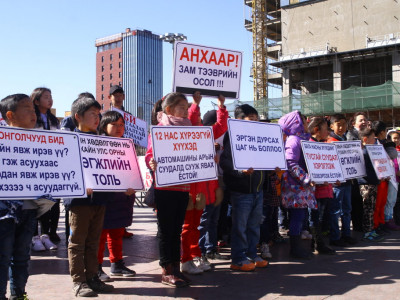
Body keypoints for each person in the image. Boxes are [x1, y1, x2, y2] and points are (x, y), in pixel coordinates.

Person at [64, 96, 114, 297]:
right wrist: (80, 185)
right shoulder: (68, 141)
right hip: (79, 201)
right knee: (77, 242)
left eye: (98, 114)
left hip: (99, 199)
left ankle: (93, 277)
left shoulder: (103, 141)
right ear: (78, 117)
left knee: (94, 241)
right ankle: (79, 282)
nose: (97, 118)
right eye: (92, 114)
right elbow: (64, 170)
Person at [146, 92, 192, 288]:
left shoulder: (190, 130)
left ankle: (176, 266)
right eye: (182, 107)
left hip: (182, 188)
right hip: (164, 188)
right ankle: (167, 269)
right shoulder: (158, 130)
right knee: (166, 231)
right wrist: (152, 162)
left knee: (177, 229)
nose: (185, 110)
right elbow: (150, 154)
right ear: (168, 110)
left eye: (187, 107)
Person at [182, 92, 228, 275]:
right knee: (191, 226)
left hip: (204, 187)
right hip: (190, 188)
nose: (198, 119)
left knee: (198, 224)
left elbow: (221, 126)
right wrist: (195, 104)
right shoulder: (191, 129)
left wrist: (221, 107)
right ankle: (190, 257)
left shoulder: (206, 133)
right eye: (197, 116)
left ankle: (196, 255)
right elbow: (193, 120)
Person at [220, 104, 268, 271]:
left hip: (257, 190)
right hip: (241, 191)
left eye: (257, 119)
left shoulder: (261, 137)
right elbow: (224, 162)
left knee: (254, 225)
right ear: (238, 121)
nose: (255, 122)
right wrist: (240, 172)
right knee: (240, 226)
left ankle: (252, 254)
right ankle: (238, 258)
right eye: (251, 119)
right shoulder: (232, 136)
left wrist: (275, 165)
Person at [0, 94, 38, 300]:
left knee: (22, 257)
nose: (33, 113)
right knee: (3, 256)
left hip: (30, 208)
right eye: (27, 109)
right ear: (10, 115)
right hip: (4, 212)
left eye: (33, 109)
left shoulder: (43, 142)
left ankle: (18, 294)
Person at [96, 111, 136, 282]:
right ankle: (96, 267)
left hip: (122, 197)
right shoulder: (97, 144)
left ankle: (117, 263)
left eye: (122, 125)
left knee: (117, 232)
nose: (120, 128)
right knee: (100, 234)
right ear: (105, 126)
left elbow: (132, 169)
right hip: (104, 198)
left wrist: (133, 185)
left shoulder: (128, 145)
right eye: (115, 125)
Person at [278, 111, 316, 259]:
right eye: (304, 122)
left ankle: (297, 247)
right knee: (297, 216)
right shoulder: (294, 140)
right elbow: (291, 162)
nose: (307, 124)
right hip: (295, 186)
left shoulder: (299, 139)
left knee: (299, 216)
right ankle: (295, 248)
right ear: (296, 124)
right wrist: (305, 179)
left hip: (298, 185)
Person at [30, 88, 61, 252]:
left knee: (50, 203)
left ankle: (46, 235)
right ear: (36, 101)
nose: (50, 100)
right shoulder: (31, 119)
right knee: (35, 203)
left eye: (51, 97)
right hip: (35, 168)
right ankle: (34, 237)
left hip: (51, 167)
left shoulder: (54, 120)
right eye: (46, 97)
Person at [327, 114, 358, 247]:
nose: (341, 127)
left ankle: (346, 234)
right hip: (337, 183)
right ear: (332, 126)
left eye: (344, 124)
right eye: (338, 124)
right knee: (335, 210)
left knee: (347, 209)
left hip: (347, 181)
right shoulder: (330, 142)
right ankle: (335, 236)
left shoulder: (345, 140)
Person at [307, 117, 336, 255]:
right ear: (317, 130)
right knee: (315, 218)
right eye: (326, 129)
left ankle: (316, 242)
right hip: (315, 190)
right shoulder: (308, 145)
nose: (329, 132)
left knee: (321, 217)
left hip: (326, 189)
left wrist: (336, 177)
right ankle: (318, 244)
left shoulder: (324, 145)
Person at [358, 128, 387, 242]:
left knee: (371, 207)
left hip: (373, 183)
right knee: (368, 208)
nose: (375, 140)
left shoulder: (370, 152)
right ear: (365, 139)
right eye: (372, 138)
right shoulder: (364, 153)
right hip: (367, 184)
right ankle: (367, 231)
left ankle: (371, 230)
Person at [346, 112, 368, 232]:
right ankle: (357, 226)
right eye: (361, 120)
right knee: (356, 201)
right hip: (354, 174)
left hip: (364, 173)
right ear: (354, 123)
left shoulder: (368, 134)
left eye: (365, 120)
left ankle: (362, 224)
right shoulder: (351, 134)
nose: (363, 122)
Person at [371, 121, 389, 235]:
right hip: (379, 179)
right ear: (382, 132)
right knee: (377, 204)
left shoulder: (382, 143)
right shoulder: (374, 145)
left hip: (386, 178)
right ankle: (376, 225)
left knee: (382, 202)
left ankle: (381, 223)